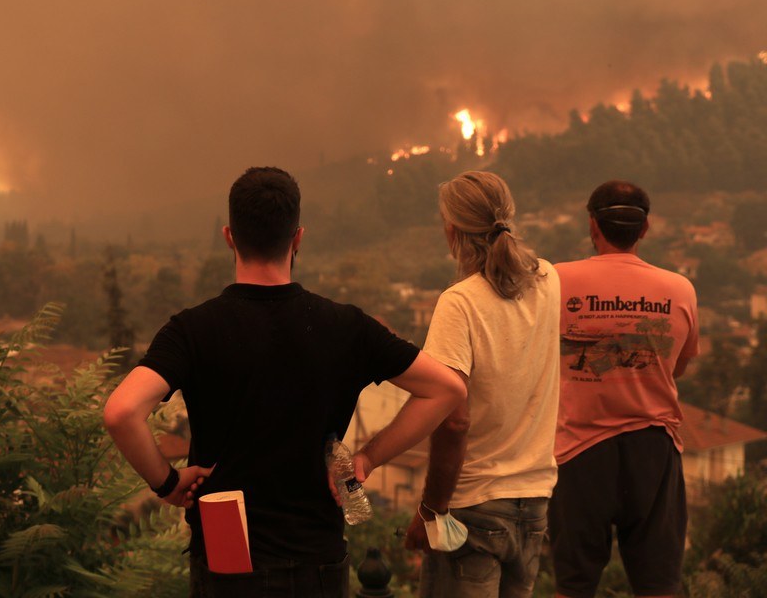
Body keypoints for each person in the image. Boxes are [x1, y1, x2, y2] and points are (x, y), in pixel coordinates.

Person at [104, 166, 467, 597]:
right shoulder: (346, 326)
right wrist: (367, 458)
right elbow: (447, 389)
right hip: (316, 559)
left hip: (226, 559)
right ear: (298, 239)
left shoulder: (192, 330)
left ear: (229, 237)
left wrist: (167, 483)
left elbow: (122, 412)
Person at [403, 170, 561, 598]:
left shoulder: (459, 304)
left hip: (472, 509)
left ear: (451, 230)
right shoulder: (549, 280)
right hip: (534, 503)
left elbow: (452, 422)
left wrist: (431, 511)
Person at [549, 181, 698, 598]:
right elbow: (679, 365)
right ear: (645, 228)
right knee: (659, 586)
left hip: (578, 451)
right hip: (653, 450)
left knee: (573, 586)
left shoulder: (556, 280)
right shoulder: (679, 289)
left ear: (593, 226)